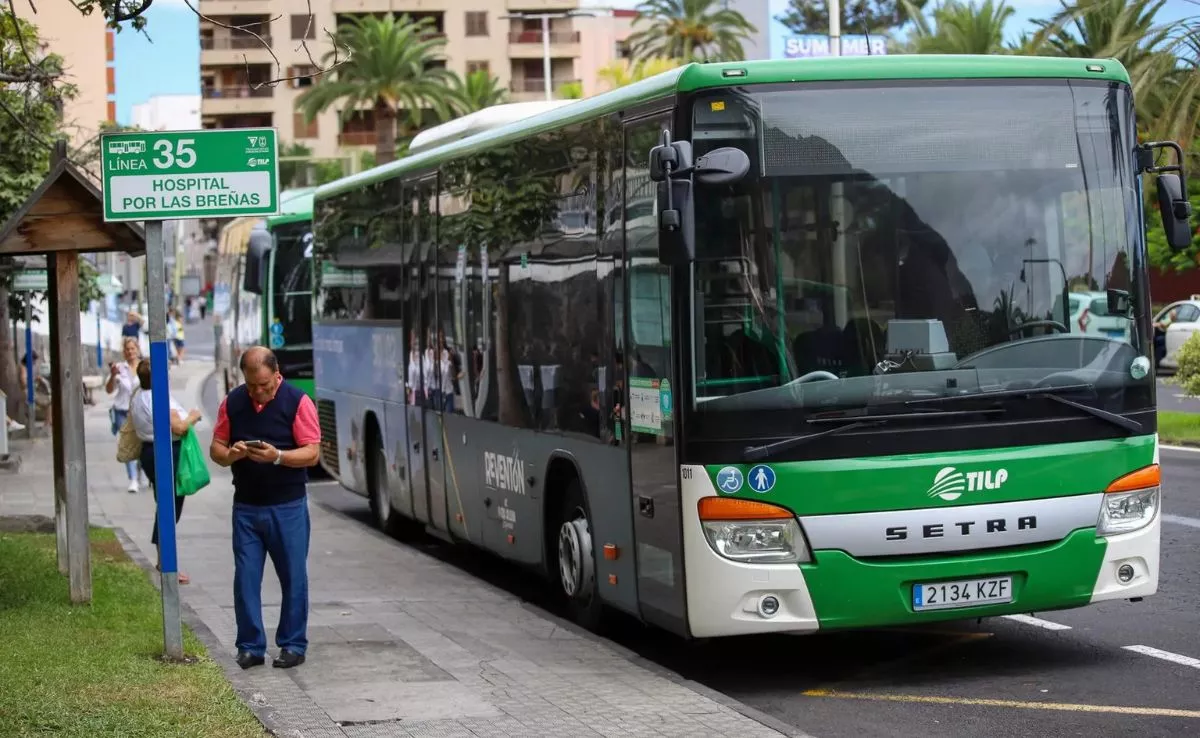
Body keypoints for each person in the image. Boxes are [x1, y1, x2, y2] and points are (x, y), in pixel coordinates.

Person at [209, 346, 321, 670]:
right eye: (252, 386)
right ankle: (250, 646)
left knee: (293, 577)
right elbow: (216, 447)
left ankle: (292, 644)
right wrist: (232, 454)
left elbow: (312, 452)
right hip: (246, 506)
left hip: (288, 505)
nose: (258, 393)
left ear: (276, 374)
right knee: (245, 579)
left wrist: (278, 456)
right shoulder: (233, 402)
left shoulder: (298, 401)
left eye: (265, 385)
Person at [130, 358, 202, 585]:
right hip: (167, 453)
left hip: (150, 452)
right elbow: (179, 427)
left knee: (166, 504)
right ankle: (167, 562)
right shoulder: (158, 398)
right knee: (170, 507)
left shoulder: (139, 396)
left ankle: (165, 560)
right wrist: (193, 415)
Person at [106, 337, 143, 493]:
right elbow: (109, 390)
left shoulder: (144, 367)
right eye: (127, 349)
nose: (130, 352)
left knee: (141, 445)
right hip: (122, 412)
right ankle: (133, 478)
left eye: (132, 348)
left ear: (137, 349)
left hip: (141, 412)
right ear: (124, 351)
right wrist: (113, 375)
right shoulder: (120, 368)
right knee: (127, 445)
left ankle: (141, 470)